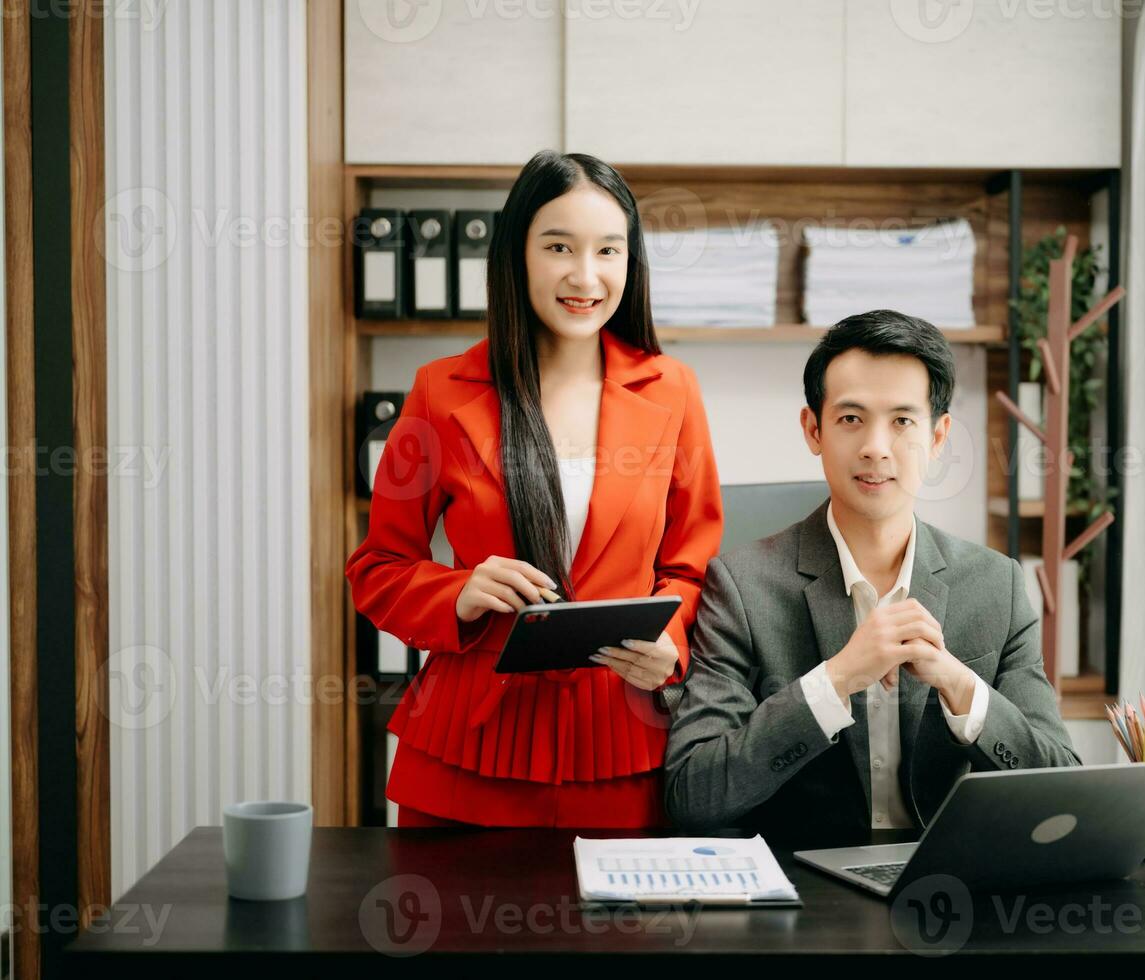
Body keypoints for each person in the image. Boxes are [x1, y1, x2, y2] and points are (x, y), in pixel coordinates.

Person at [346, 150, 722, 828]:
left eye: (608, 250)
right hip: (464, 748)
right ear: (517, 255)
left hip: (617, 741)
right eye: (559, 247)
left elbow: (690, 567)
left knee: (616, 936)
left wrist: (672, 646)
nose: (585, 275)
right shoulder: (440, 392)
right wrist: (456, 592)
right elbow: (377, 570)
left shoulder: (674, 391)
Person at [663, 310, 1080, 839]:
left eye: (903, 421)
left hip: (947, 890)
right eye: (851, 419)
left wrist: (959, 686)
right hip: (806, 898)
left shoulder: (996, 585)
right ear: (813, 429)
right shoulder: (742, 585)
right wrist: (835, 681)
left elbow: (1061, 792)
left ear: (938, 436)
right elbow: (693, 795)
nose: (876, 447)